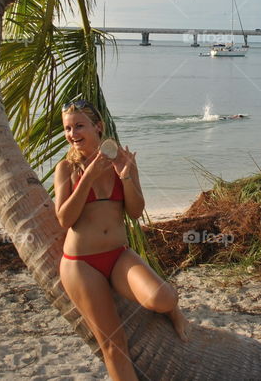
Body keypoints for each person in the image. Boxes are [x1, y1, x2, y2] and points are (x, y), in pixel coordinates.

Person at [56, 99, 189, 381]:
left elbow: (135, 212)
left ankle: (174, 311)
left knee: (163, 298)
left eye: (79, 125)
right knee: (114, 346)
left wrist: (127, 177)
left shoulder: (122, 161)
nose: (72, 134)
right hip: (81, 264)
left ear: (98, 126)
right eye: (68, 128)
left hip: (118, 255)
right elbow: (65, 219)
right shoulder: (66, 169)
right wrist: (88, 178)